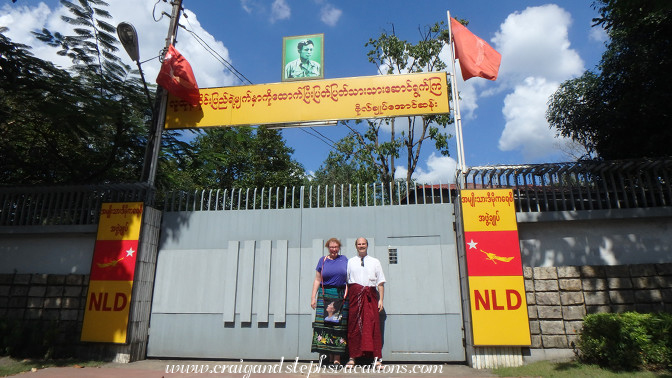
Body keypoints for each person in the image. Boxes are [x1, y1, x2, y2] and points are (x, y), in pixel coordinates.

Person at [346, 237, 385, 368]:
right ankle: (352, 358)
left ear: (367, 245)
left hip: (370, 297)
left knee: (373, 326)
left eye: (363, 244)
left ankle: (377, 358)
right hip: (354, 298)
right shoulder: (351, 261)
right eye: (359, 244)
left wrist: (381, 300)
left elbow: (380, 282)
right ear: (356, 246)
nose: (361, 246)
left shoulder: (375, 261)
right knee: (354, 327)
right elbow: (347, 282)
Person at [310, 238, 348, 366]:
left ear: (339, 247)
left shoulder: (344, 260)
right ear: (328, 247)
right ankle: (328, 356)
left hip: (340, 295)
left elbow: (349, 278)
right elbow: (317, 280)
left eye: (336, 247)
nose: (334, 249)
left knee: (337, 325)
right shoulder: (323, 260)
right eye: (331, 247)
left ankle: (337, 358)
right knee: (325, 325)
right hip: (324, 295)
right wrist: (312, 297)